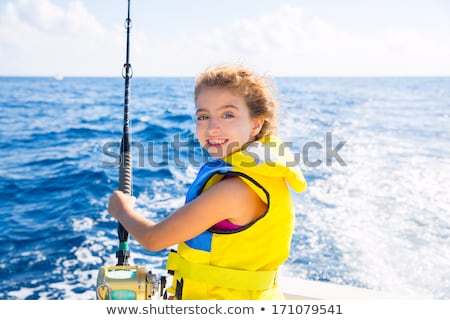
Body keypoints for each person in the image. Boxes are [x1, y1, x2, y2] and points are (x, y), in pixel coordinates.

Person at [108, 65, 307, 299]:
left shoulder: (234, 190)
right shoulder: (257, 172)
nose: (212, 128)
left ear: (256, 123)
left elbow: (154, 239)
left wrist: (122, 210)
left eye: (228, 115)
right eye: (203, 116)